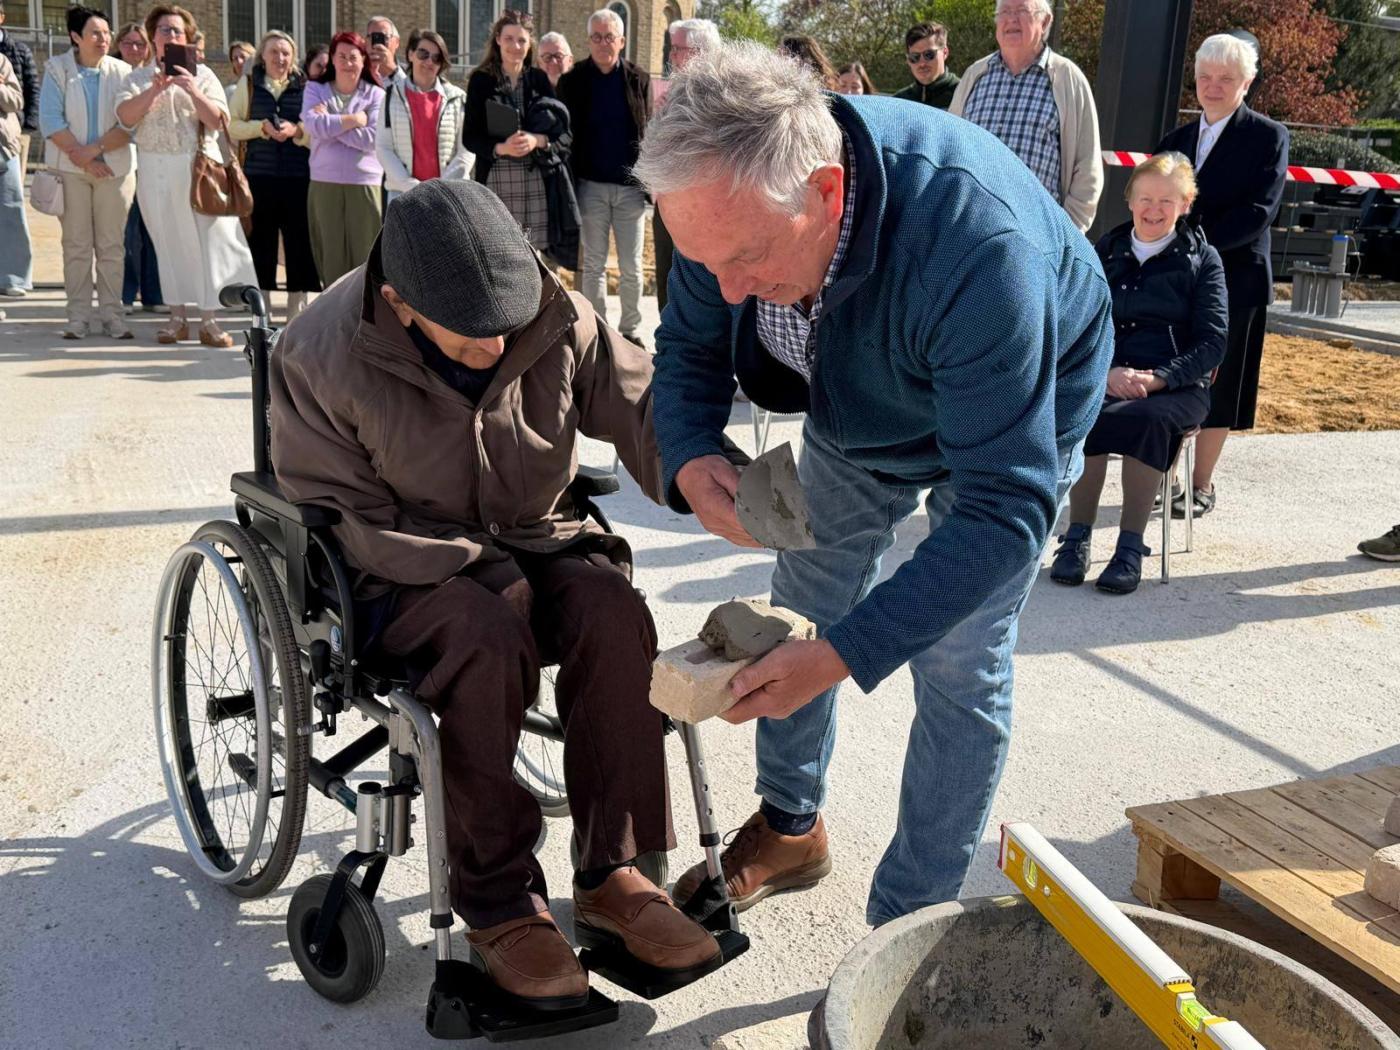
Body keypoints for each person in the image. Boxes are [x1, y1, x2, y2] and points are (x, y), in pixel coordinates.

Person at [635, 42, 1112, 925]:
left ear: (825, 193)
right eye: (704, 264)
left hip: (1012, 415)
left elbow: (1006, 509)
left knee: (958, 657)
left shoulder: (978, 246)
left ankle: (908, 923)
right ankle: (790, 827)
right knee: (801, 595)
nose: (729, 291)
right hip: (859, 403)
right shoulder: (725, 210)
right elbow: (691, 345)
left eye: (743, 260)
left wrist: (845, 656)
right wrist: (692, 446)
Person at [269, 178, 721, 1011]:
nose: (500, 346)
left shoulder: (547, 309)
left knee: (614, 614)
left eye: (510, 327)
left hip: (533, 526)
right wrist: (479, 567)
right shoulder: (319, 353)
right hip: (397, 560)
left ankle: (612, 874)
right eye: (476, 339)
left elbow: (639, 400)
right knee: (489, 629)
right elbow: (343, 516)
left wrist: (701, 473)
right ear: (402, 303)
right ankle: (497, 900)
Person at [1050, 153, 1226, 595]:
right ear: (1129, 200)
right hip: (1107, 375)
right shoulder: (1103, 251)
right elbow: (1074, 322)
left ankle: (1130, 548)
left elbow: (1213, 343)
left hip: (1176, 386)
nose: (1154, 209)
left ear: (1185, 204)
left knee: (1143, 419)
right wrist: (1107, 371)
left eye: (1167, 200)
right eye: (1145, 198)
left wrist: (1157, 379)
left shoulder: (1203, 260)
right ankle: (1077, 538)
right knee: (1082, 410)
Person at [1157, 33, 1288, 520]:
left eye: (1226, 79)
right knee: (1171, 373)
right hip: (1176, 282)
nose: (1213, 87)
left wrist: (1192, 242)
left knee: (1223, 382)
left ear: (1247, 82)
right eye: (1205, 77)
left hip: (1237, 279)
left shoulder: (1268, 137)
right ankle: (1161, 479)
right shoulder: (1174, 142)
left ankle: (1200, 485)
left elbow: (1259, 211)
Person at [115, 4, 256, 347]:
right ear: (153, 37)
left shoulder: (204, 75)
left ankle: (210, 320)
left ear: (189, 38)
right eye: (165, 30)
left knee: (207, 243)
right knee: (166, 243)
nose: (172, 36)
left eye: (178, 31)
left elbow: (219, 121)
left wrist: (191, 88)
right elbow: (125, 117)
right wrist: (155, 89)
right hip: (153, 169)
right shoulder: (135, 78)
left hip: (197, 171)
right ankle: (176, 317)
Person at [949, 0, 1102, 233]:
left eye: (1022, 10)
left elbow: (1087, 166)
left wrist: (1066, 235)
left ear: (1045, 21)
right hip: (969, 229)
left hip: (1034, 236)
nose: (1011, 19)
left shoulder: (1067, 79)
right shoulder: (975, 75)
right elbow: (950, 149)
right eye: (1004, 12)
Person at [41, 4, 135, 339]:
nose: (104, 39)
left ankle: (114, 316)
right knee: (77, 245)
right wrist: (83, 159)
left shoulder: (123, 72)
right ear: (75, 37)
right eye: (96, 33)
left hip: (115, 170)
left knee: (111, 245)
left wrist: (93, 153)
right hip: (69, 171)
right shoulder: (57, 69)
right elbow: (50, 121)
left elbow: (129, 124)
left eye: (107, 33)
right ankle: (77, 317)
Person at [556, 8, 650, 345]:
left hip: (630, 191)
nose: (603, 43)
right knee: (593, 264)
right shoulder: (573, 81)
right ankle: (597, 327)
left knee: (631, 266)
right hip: (590, 187)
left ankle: (631, 330)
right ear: (588, 41)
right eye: (596, 36)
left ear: (621, 41)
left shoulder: (639, 79)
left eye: (609, 36)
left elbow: (647, 130)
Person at [229, 29, 320, 323]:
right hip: (260, 176)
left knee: (299, 245)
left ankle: (297, 315)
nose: (280, 58)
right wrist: (261, 129)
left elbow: (314, 131)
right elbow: (232, 125)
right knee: (262, 244)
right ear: (262, 56)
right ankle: (262, 312)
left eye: (285, 52)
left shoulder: (307, 87)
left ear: (293, 57)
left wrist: (297, 132)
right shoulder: (249, 84)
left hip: (298, 177)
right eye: (273, 52)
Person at [465, 10, 560, 256]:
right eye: (509, 39)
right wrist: (500, 148)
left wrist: (537, 140)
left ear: (530, 45)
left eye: (521, 40)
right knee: (496, 251)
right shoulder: (481, 80)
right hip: (496, 178)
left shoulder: (539, 80)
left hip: (533, 179)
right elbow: (470, 137)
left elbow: (560, 132)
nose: (515, 46)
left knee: (532, 255)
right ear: (498, 39)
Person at [301, 31, 384, 287]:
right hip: (324, 181)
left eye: (354, 57)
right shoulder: (315, 89)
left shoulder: (376, 95)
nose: (348, 62)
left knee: (365, 255)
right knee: (331, 255)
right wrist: (354, 120)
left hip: (364, 182)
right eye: (342, 56)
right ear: (333, 60)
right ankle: (334, 316)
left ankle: (364, 319)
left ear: (363, 61)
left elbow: (372, 138)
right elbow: (313, 126)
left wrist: (333, 126)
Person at [653, 17, 717, 314]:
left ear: (699, 52)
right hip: (668, 199)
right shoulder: (671, 94)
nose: (671, 55)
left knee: (702, 284)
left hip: (704, 207)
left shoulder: (722, 94)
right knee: (667, 275)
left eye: (677, 48)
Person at [377, 27, 470, 204]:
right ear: (410, 54)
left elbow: (466, 151)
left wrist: (441, 188)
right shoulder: (390, 97)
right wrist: (413, 187)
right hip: (403, 198)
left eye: (436, 58)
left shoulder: (458, 98)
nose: (429, 61)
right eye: (423, 54)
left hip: (449, 199)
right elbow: (383, 147)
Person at [115, 21, 163, 314]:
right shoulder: (115, 77)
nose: (135, 49)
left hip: (153, 164)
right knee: (127, 232)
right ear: (118, 45)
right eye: (128, 43)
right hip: (122, 161)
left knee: (154, 231)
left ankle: (155, 294)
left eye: (140, 44)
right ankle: (126, 293)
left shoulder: (153, 76)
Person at [0, 48, 30, 300]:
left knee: (11, 208)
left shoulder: (2, 62)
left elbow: (16, 101)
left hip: (3, 146)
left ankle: (13, 277)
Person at [0, 1, 38, 178]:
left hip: (15, 130)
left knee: (13, 189)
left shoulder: (19, 50)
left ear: (1, 18)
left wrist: (28, 125)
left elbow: (32, 88)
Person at [893, 22, 957, 109]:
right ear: (908, 60)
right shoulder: (898, 102)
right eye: (915, 57)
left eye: (929, 55)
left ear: (945, 53)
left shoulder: (963, 94)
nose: (922, 63)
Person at [366, 14, 405, 91]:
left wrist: (393, 70)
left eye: (384, 37)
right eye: (372, 37)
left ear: (397, 42)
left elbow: (413, 96)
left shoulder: (410, 72)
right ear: (365, 41)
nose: (377, 43)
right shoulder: (358, 70)